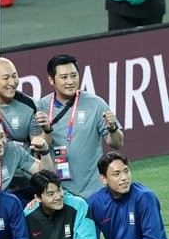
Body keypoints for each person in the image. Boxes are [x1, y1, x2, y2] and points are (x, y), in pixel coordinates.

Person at [36, 53, 123, 200]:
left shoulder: (96, 104)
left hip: (93, 192)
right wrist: (46, 129)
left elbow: (117, 143)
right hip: (59, 195)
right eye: (64, 77)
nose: (70, 81)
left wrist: (112, 128)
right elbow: (39, 148)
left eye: (74, 75)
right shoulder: (41, 107)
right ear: (51, 80)